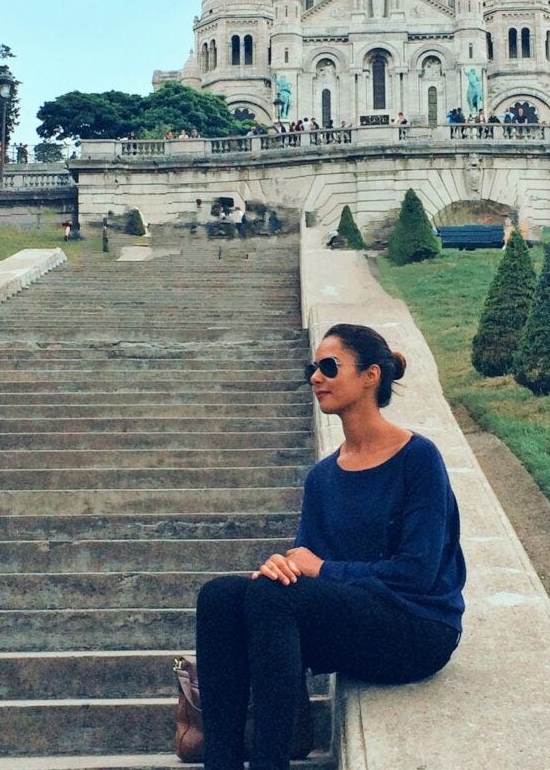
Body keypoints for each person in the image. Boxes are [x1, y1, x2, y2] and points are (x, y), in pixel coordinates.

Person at [196, 323, 465, 770]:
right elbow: (306, 570)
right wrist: (283, 567)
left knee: (268, 598)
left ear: (370, 375)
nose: (315, 378)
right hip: (354, 624)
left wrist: (323, 571)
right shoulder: (323, 477)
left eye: (328, 366)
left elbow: (417, 572)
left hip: (418, 628)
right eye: (312, 368)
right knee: (221, 597)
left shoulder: (418, 458)